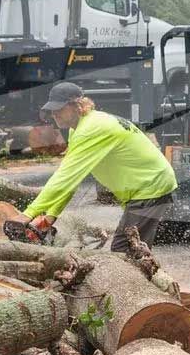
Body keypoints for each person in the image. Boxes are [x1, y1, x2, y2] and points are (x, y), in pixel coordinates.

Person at [20, 82, 177, 251]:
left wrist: (27, 214)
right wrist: (50, 216)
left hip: (151, 186)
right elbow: (71, 179)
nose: (55, 114)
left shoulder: (91, 129)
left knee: (124, 251)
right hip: (146, 187)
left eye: (60, 108)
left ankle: (139, 275)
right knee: (132, 251)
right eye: (52, 109)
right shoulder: (80, 128)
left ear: (77, 106)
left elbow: (63, 178)